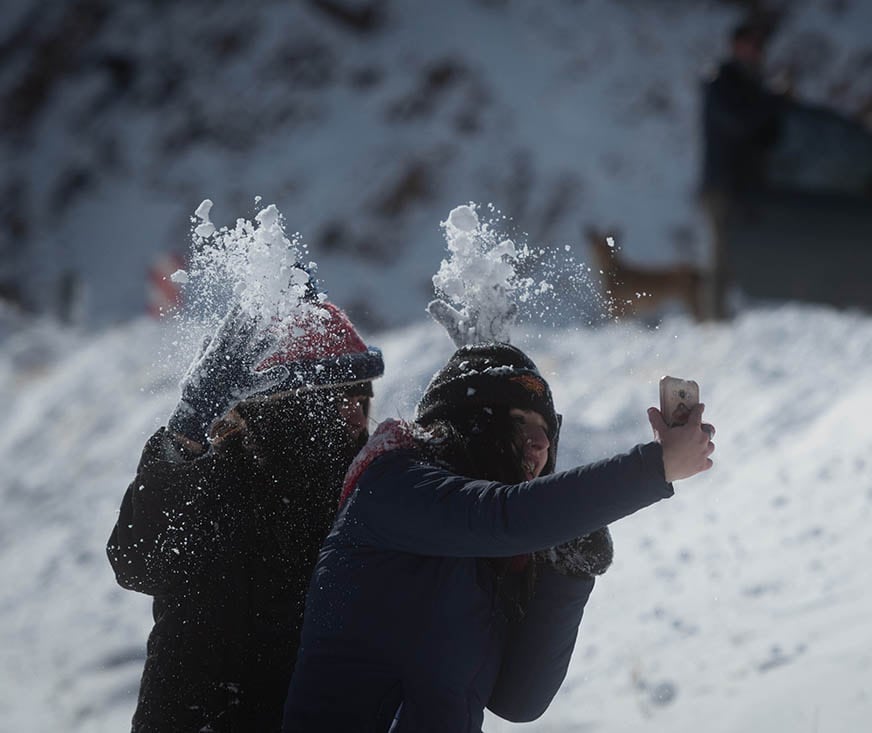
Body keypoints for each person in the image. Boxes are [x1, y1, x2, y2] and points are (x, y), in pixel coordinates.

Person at [282, 341, 715, 731]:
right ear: (470, 422)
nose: (541, 441)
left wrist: (569, 575)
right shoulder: (395, 485)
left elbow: (519, 699)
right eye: (519, 420)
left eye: (546, 427)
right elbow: (504, 517)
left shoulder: (488, 556)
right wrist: (654, 467)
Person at [106, 299, 385, 732]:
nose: (356, 418)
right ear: (285, 406)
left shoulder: (366, 491)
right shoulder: (213, 479)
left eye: (362, 400)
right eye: (339, 399)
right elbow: (135, 562)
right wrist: (182, 437)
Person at [699, 20, 786, 319]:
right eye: (752, 45)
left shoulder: (753, 83)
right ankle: (713, 317)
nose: (757, 52)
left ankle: (730, 315)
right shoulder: (722, 81)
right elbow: (739, 124)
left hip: (748, 185)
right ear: (736, 46)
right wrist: (770, 103)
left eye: (760, 47)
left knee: (742, 252)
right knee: (722, 254)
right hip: (723, 182)